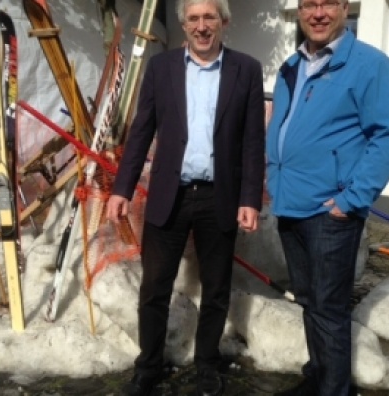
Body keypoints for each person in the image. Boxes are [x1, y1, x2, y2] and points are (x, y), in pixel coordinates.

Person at [106, 0, 265, 395]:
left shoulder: (246, 69)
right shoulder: (162, 69)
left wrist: (250, 198)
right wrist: (122, 188)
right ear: (184, 26)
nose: (202, 25)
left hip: (220, 196)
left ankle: (207, 366)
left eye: (209, 16)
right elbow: (141, 130)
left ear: (224, 22)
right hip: (169, 195)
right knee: (155, 288)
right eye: (193, 18)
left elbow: (252, 142)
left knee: (216, 288)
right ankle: (149, 367)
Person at [267, 1, 389, 395]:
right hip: (291, 204)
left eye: (328, 2)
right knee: (309, 301)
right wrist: (274, 178)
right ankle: (318, 376)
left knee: (328, 308)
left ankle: (335, 389)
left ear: (345, 7)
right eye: (310, 3)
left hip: (331, 210)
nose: (318, 13)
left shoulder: (368, 65)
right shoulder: (291, 66)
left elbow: (386, 137)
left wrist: (353, 199)